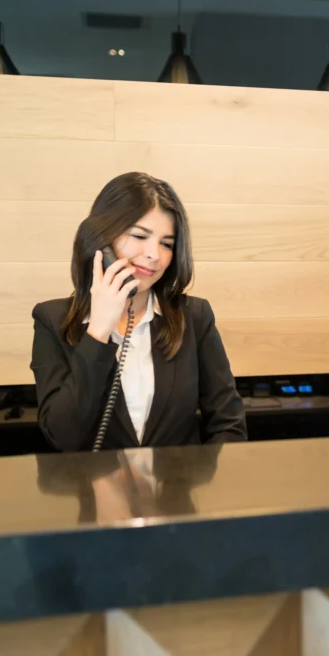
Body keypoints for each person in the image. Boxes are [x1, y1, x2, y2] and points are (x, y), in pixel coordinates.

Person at [31, 172, 247, 452]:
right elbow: (63, 437)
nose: (154, 254)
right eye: (139, 235)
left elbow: (229, 424)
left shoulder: (195, 316)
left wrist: (196, 482)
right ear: (101, 240)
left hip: (178, 493)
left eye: (167, 243)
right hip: (96, 494)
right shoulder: (51, 320)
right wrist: (98, 332)